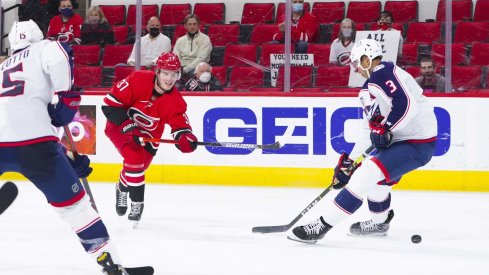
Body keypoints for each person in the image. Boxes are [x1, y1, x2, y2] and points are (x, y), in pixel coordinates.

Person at [0, 20, 142, 274]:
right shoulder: (47, 47)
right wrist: (67, 98)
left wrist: (66, 155)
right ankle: (110, 263)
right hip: (37, 148)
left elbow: (18, 114)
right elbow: (60, 66)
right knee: (76, 208)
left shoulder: (2, 68)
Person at [288, 39, 437, 244]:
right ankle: (379, 223)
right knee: (377, 183)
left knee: (366, 173)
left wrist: (385, 127)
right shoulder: (367, 90)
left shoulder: (384, 73)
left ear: (367, 60)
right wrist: (349, 161)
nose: (356, 69)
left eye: (357, 62)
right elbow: (369, 130)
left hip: (418, 142)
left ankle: (321, 226)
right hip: (402, 142)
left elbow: (406, 107)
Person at [102, 52, 198, 222]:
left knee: (139, 166)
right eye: (166, 73)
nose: (170, 79)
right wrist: (129, 127)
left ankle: (121, 188)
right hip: (120, 126)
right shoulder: (138, 79)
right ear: (157, 72)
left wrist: (185, 138)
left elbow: (180, 126)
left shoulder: (176, 101)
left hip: (149, 136)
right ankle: (137, 203)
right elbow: (109, 106)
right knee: (135, 157)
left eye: (174, 74)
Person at [173, 14, 212, 83]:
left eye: (194, 24)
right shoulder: (180, 40)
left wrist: (185, 70)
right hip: (182, 69)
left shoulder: (205, 39)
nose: (192, 27)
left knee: (193, 74)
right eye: (189, 24)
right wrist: (179, 70)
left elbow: (201, 58)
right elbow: (175, 58)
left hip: (198, 69)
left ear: (198, 25)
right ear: (185, 26)